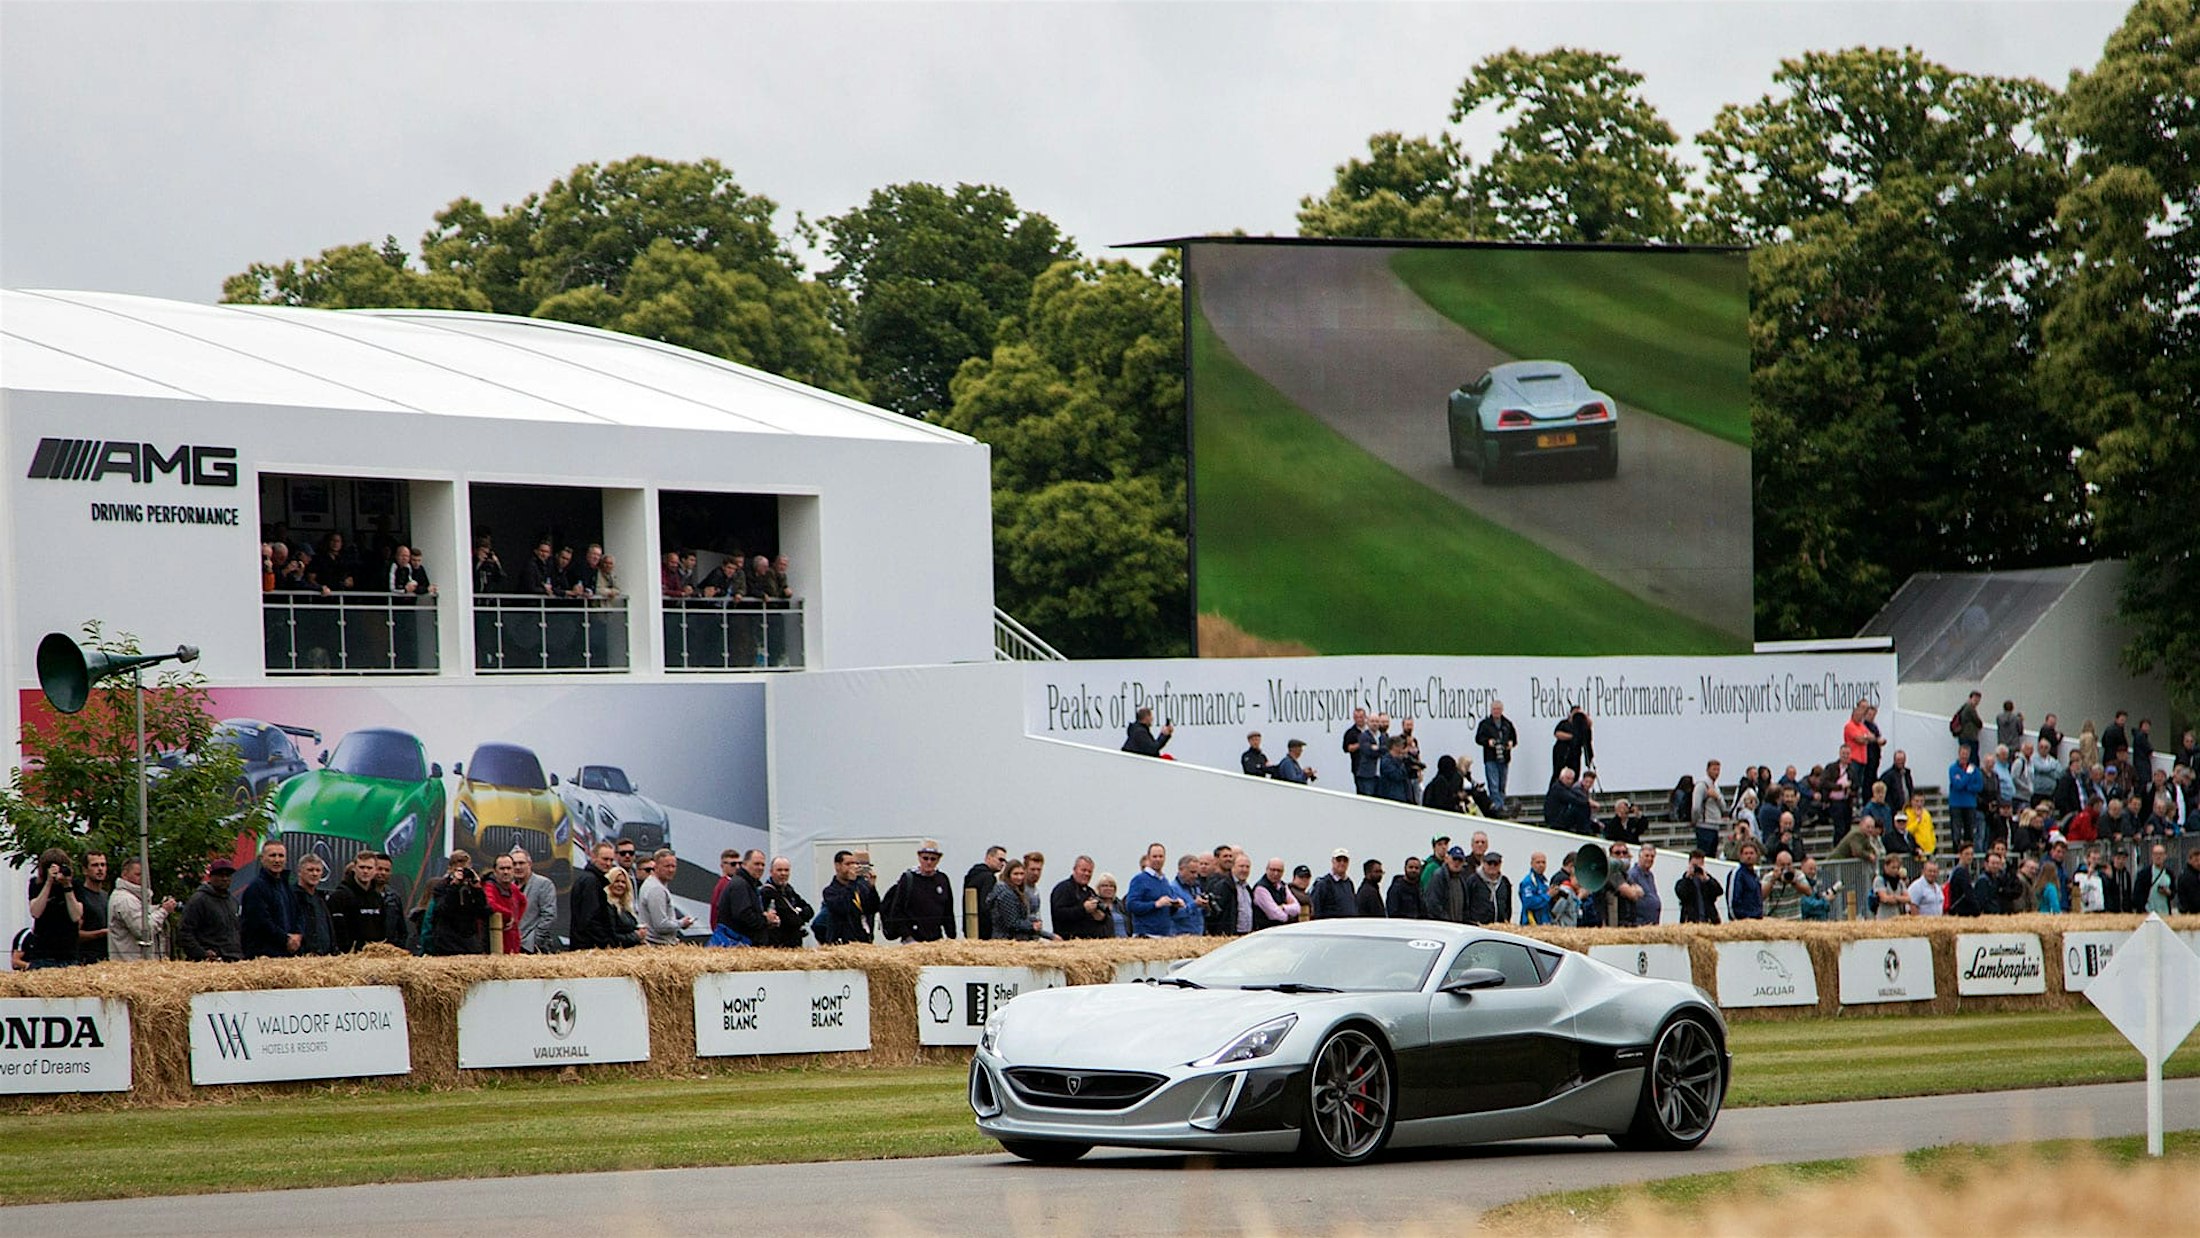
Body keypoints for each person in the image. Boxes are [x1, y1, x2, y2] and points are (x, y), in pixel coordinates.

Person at [105, 857, 177, 962]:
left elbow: (141, 914)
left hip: (135, 963)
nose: (143, 879)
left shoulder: (133, 898)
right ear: (125, 875)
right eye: (138, 875)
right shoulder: (125, 900)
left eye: (145, 875)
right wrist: (163, 911)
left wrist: (159, 908)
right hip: (130, 964)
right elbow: (144, 931)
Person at [883, 842, 956, 942]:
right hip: (913, 938)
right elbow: (897, 910)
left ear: (938, 860)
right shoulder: (908, 879)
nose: (929, 862)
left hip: (936, 937)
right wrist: (907, 935)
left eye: (933, 859)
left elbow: (948, 910)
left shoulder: (942, 879)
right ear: (919, 857)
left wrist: (951, 937)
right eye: (925, 858)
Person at [239, 840, 301, 959]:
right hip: (263, 955)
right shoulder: (256, 888)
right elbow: (261, 921)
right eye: (272, 855)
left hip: (286, 954)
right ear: (262, 859)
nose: (277, 860)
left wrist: (298, 935)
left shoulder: (287, 887)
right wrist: (286, 939)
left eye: (281, 856)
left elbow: (298, 914)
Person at [24, 848, 85, 968]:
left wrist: (67, 886)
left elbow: (76, 916)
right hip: (43, 953)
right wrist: (48, 883)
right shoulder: (36, 884)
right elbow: (35, 912)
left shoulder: (75, 885)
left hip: (68, 953)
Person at [179, 859, 243, 962]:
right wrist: (201, 954)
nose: (225, 879)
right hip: (211, 961)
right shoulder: (199, 900)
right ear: (211, 877)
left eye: (228, 875)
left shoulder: (232, 901)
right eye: (221, 875)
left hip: (233, 958)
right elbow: (185, 932)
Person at [427, 854, 488, 955]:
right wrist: (454, 886)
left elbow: (483, 911)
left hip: (470, 944)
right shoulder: (441, 886)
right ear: (450, 868)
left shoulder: (472, 888)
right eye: (458, 869)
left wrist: (477, 889)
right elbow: (442, 910)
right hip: (447, 945)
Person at [713, 849, 775, 946]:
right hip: (738, 944)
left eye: (763, 865)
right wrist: (765, 919)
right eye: (756, 864)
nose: (760, 868)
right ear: (745, 864)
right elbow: (744, 915)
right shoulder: (739, 885)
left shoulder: (750, 885)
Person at [1125, 843, 1189, 937]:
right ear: (1148, 858)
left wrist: (1174, 905)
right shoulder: (1139, 879)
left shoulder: (1165, 881)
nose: (1158, 859)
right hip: (1146, 934)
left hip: (1164, 934)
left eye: (1160, 856)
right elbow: (1131, 905)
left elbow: (1166, 910)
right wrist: (1155, 904)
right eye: (1154, 856)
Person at [816, 849, 878, 944]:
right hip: (842, 940)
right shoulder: (830, 891)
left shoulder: (861, 886)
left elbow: (873, 908)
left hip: (863, 938)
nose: (853, 867)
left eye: (855, 863)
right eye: (848, 864)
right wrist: (852, 882)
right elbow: (844, 908)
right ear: (837, 866)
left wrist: (872, 888)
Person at [328, 853, 385, 953]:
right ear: (354, 868)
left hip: (373, 956)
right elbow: (336, 930)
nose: (365, 871)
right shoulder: (339, 896)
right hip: (348, 956)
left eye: (369, 868)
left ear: (375, 870)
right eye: (362, 867)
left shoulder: (378, 897)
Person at [637, 848, 694, 945]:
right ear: (656, 866)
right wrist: (682, 923)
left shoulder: (653, 884)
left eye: (673, 866)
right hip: (658, 946)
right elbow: (661, 925)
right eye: (667, 866)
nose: (671, 870)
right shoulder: (656, 889)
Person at [987, 858, 1052, 941]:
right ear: (1008, 875)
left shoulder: (1016, 891)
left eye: (1021, 874)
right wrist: (1032, 926)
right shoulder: (1006, 894)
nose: (1019, 877)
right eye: (1015, 874)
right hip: (1006, 940)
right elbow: (1012, 923)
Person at [569, 841, 617, 950]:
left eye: (611, 860)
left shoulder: (590, 880)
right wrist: (606, 942)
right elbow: (590, 918)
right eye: (605, 859)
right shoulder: (591, 882)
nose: (608, 864)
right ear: (593, 857)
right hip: (589, 947)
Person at [1474, 702, 1518, 816]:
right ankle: (1497, 807)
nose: (1496, 711)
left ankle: (1501, 804)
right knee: (1493, 783)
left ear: (1502, 710)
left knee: (1502, 784)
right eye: (1494, 709)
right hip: (1491, 757)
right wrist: (1487, 742)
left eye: (1498, 709)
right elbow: (1478, 738)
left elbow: (1514, 739)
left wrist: (1510, 743)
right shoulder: (1485, 724)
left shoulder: (1507, 724)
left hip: (1504, 758)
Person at [1049, 854, 1108, 940]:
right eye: (1083, 870)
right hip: (1068, 941)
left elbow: (1103, 917)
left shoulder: (1090, 892)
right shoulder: (1063, 888)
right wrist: (1083, 909)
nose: (1086, 874)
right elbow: (1059, 913)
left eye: (1089, 871)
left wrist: (1100, 916)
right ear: (1074, 870)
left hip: (1090, 942)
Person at [513, 848, 558, 953]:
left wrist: (535, 941)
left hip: (532, 946)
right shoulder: (508, 886)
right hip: (511, 945)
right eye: (514, 864)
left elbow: (549, 916)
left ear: (530, 864)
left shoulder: (544, 884)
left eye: (521, 863)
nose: (518, 867)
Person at [71, 850, 111, 965]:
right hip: (86, 959)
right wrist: (101, 933)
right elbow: (74, 934)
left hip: (106, 959)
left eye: (103, 865)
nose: (100, 869)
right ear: (85, 870)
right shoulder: (80, 896)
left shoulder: (105, 896)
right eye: (95, 865)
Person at [765, 857, 814, 947]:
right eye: (779, 870)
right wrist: (799, 914)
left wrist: (798, 913)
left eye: (786, 870)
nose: (783, 873)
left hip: (795, 942)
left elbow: (809, 910)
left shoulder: (789, 889)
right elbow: (790, 919)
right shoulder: (767, 891)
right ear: (771, 872)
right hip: (778, 944)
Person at [1947, 744, 1986, 853]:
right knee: (1956, 833)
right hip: (1956, 804)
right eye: (1962, 754)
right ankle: (1957, 857)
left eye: (1966, 754)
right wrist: (1968, 776)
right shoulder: (1953, 769)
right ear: (1959, 754)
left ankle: (1969, 856)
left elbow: (1979, 786)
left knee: (1970, 833)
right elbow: (1957, 785)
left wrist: (1966, 785)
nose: (1964, 756)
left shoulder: (1975, 769)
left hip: (1970, 804)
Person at [294, 855, 336, 955]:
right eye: (310, 870)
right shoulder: (291, 896)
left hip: (324, 958)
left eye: (318, 870)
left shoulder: (321, 899)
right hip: (301, 958)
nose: (314, 874)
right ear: (299, 872)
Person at [964, 845, 1007, 940]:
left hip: (970, 926)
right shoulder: (989, 878)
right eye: (1000, 859)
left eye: (1004, 861)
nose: (1003, 864)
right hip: (984, 930)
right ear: (989, 858)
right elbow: (986, 905)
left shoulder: (972, 874)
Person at [1421, 846, 1471, 923]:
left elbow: (1465, 908)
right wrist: (1447, 921)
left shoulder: (1462, 880)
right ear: (1447, 859)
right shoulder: (1438, 876)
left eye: (1460, 860)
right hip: (1442, 927)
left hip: (1458, 927)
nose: (1457, 862)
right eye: (1454, 859)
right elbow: (1433, 904)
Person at [1250, 857, 1299, 929]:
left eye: (1279, 871)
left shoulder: (1283, 886)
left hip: (1281, 930)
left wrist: (1283, 907)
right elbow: (1274, 914)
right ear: (1266, 870)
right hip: (1265, 931)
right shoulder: (1261, 889)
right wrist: (1290, 917)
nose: (1276, 873)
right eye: (1273, 870)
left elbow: (1297, 908)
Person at [1675, 851, 1722, 923]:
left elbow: (1719, 891)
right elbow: (1681, 893)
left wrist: (1707, 879)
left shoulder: (1707, 880)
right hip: (1691, 921)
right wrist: (1688, 877)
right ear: (1689, 863)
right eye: (1694, 865)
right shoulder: (1684, 881)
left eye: (1699, 865)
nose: (1696, 868)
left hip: (1709, 920)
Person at [1309, 849, 1358, 919]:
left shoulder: (1349, 883)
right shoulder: (1323, 884)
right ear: (1333, 861)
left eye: (1345, 860)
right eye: (1339, 860)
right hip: (1331, 927)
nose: (1342, 863)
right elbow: (1316, 908)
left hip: (1349, 926)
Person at [1466, 853, 1512, 925]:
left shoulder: (1504, 882)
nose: (1492, 866)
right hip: (1478, 926)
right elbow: (1466, 903)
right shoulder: (1473, 881)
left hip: (1499, 926)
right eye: (1489, 863)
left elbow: (1508, 906)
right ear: (1483, 863)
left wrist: (1506, 919)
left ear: (1500, 864)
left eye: (1495, 864)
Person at [1621, 844, 1660, 926]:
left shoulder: (1650, 875)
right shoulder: (1632, 874)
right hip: (1639, 923)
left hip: (1652, 923)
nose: (1650, 859)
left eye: (1652, 856)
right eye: (1647, 856)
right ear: (1640, 856)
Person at [604, 865, 642, 947]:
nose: (620, 885)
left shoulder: (625, 906)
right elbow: (612, 937)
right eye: (616, 881)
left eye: (623, 882)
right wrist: (636, 936)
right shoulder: (608, 906)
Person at [1726, 841, 1764, 920]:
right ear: (1740, 856)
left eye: (1751, 853)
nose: (1749, 856)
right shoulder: (1737, 874)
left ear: (1757, 855)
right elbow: (1733, 902)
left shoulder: (1755, 875)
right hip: (1743, 922)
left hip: (1756, 920)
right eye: (1746, 853)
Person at [1870, 854, 1912, 919]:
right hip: (1883, 918)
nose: (1895, 870)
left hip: (1897, 917)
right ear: (1886, 867)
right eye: (1893, 867)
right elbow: (1884, 898)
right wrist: (1900, 899)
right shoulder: (1880, 880)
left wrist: (1895, 897)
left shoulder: (1900, 882)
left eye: (1897, 868)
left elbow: (1908, 898)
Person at [1953, 690, 1985, 762]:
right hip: (1969, 736)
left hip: (1965, 736)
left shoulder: (1964, 707)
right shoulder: (1970, 708)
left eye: (1978, 700)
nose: (1977, 701)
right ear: (1970, 698)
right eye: (1975, 699)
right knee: (1972, 758)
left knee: (1967, 756)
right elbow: (1978, 722)